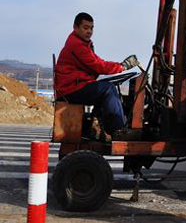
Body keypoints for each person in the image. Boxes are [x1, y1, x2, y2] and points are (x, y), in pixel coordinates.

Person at [55, 12, 140, 140]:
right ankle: (118, 131)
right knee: (108, 89)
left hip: (74, 86)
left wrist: (120, 66)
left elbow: (99, 62)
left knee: (107, 88)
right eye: (85, 28)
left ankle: (98, 128)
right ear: (75, 27)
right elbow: (98, 66)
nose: (89, 31)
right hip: (71, 89)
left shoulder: (82, 44)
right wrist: (122, 67)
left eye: (91, 28)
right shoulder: (77, 45)